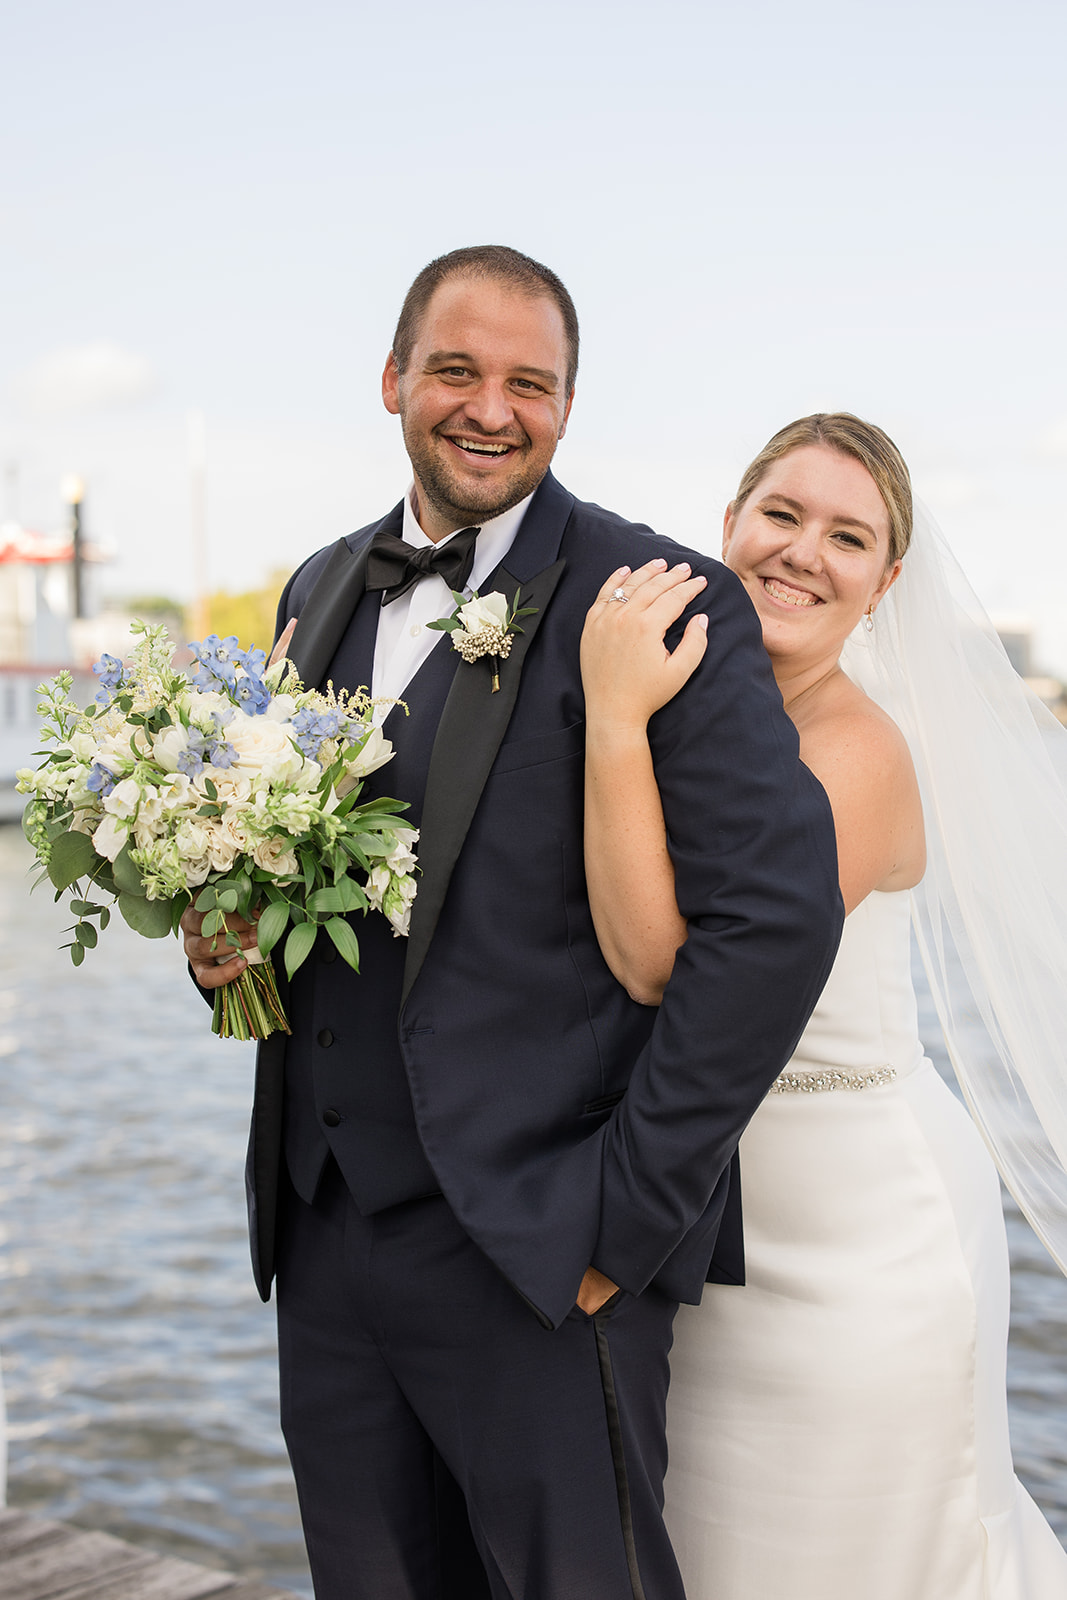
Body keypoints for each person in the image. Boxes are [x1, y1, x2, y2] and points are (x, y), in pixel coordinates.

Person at [181, 248, 842, 1598]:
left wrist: (619, 1226)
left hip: (541, 1254)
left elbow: (770, 932)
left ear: (566, 406)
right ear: (392, 380)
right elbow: (279, 860)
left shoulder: (655, 599)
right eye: (457, 371)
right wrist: (222, 946)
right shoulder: (316, 587)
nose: (492, 408)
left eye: (528, 383)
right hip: (321, 1233)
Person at [579, 412, 1067, 1597]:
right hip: (696, 1203)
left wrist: (608, 715)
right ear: (729, 524)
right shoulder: (691, 702)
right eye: (781, 515)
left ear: (883, 585)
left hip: (856, 1231)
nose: (802, 551)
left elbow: (665, 963)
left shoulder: (859, 756)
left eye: (847, 537)